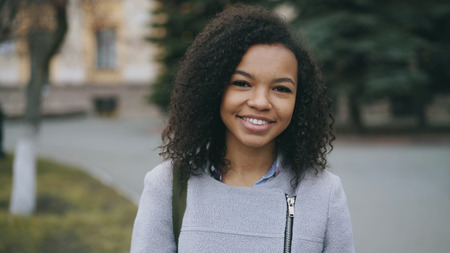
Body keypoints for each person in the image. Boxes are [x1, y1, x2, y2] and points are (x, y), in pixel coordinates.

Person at [131, 5, 354, 253]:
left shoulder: (324, 192)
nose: (260, 102)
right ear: (214, 89)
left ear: (299, 101)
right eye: (242, 83)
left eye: (281, 88)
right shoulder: (168, 186)